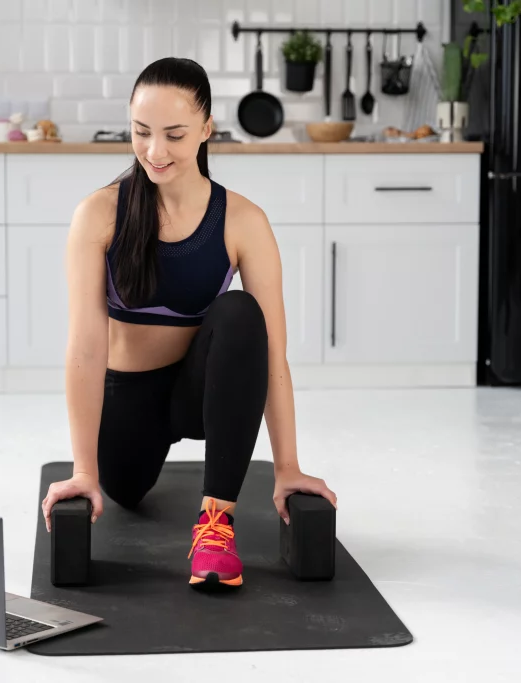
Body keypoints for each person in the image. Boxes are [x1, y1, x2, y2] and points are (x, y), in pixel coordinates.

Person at [41, 57, 337, 588]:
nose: (156, 152)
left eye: (175, 135)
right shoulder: (99, 215)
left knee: (243, 314)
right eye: (141, 133)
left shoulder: (244, 220)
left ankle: (215, 522)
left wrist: (288, 466)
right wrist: (83, 470)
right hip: (128, 402)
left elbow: (273, 357)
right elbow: (86, 347)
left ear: (206, 129)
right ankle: (114, 469)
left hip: (201, 394)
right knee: (124, 487)